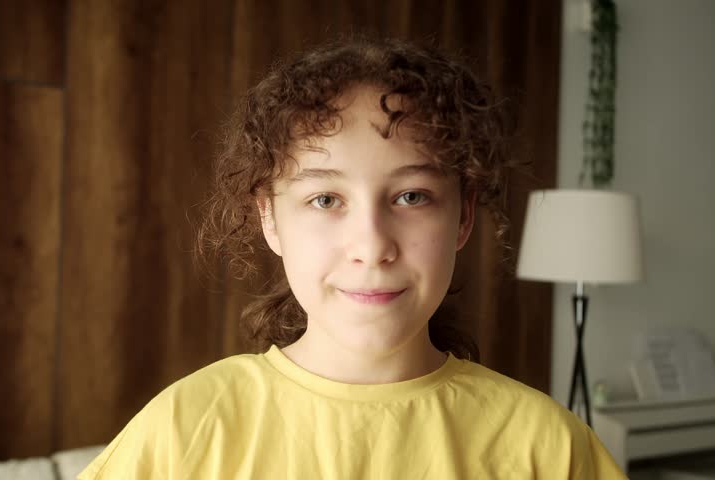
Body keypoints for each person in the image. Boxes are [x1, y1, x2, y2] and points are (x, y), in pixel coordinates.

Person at [78, 35, 626, 479]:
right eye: (325, 199)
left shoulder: (548, 447)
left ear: (463, 217)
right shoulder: (185, 428)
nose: (371, 245)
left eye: (411, 197)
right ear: (270, 218)